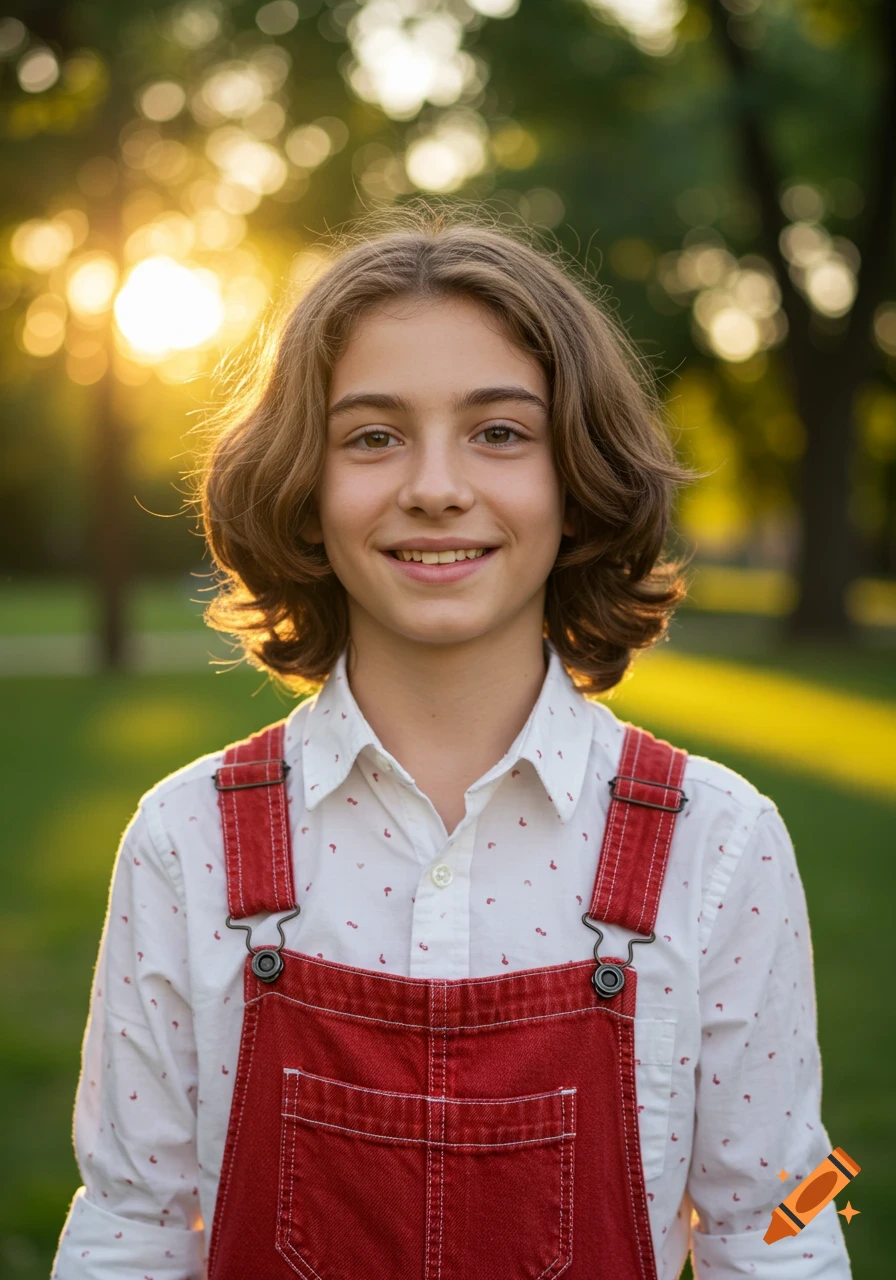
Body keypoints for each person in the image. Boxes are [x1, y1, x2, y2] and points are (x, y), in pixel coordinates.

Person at [52, 204, 852, 1279]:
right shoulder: (184, 839)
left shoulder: (718, 845)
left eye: (499, 432)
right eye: (372, 435)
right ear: (307, 487)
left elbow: (776, 1219)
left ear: (575, 481)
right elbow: (132, 1222)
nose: (434, 487)